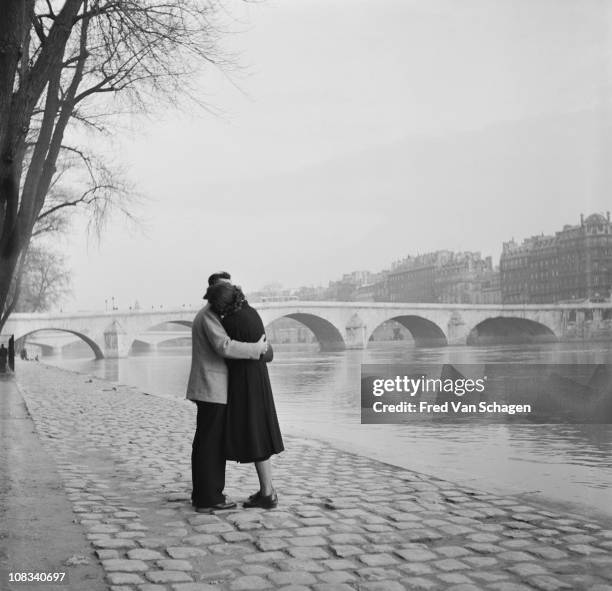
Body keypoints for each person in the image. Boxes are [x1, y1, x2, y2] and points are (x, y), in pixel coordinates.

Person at [186, 272, 268, 513]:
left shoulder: (209, 314)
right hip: (212, 389)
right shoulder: (209, 315)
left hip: (211, 389)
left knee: (206, 443)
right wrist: (257, 348)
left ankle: (205, 494)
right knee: (210, 445)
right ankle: (209, 498)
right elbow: (224, 346)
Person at [206, 282, 284, 509]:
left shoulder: (230, 321)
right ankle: (266, 491)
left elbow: (225, 350)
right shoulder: (251, 313)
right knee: (258, 433)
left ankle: (268, 493)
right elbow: (265, 350)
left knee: (255, 435)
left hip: (245, 382)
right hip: (258, 378)